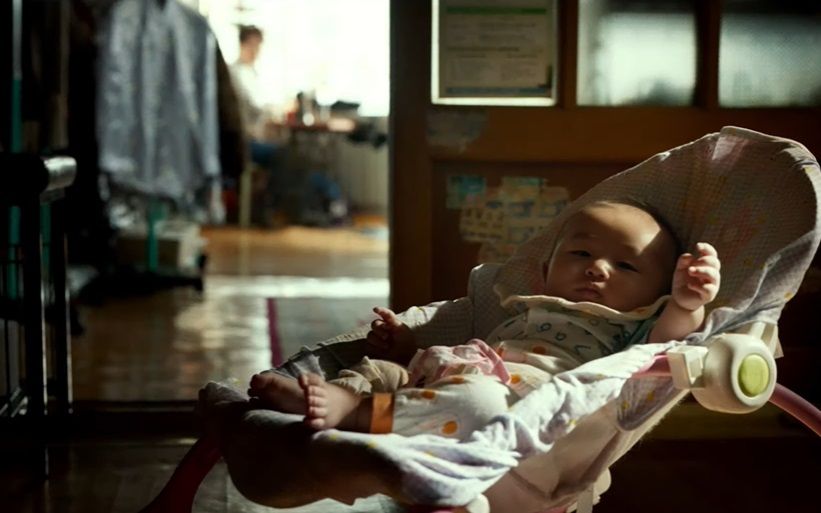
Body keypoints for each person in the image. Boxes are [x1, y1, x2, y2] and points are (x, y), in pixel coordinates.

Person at [248, 201, 721, 437]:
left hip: (513, 401)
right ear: (546, 269)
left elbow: (669, 341)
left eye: (626, 265)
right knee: (384, 371)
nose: (597, 269)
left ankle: (354, 414)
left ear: (656, 292)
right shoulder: (526, 304)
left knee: (476, 403)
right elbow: (467, 352)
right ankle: (336, 393)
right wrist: (406, 348)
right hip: (450, 370)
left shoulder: (631, 325)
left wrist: (686, 302)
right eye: (581, 254)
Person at [229, 25, 286, 225]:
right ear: (243, 44)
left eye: (259, 46)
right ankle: (266, 209)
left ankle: (267, 207)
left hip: (256, 137)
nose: (256, 51)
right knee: (284, 156)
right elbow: (256, 106)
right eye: (253, 45)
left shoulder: (252, 73)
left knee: (288, 152)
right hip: (243, 142)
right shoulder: (236, 73)